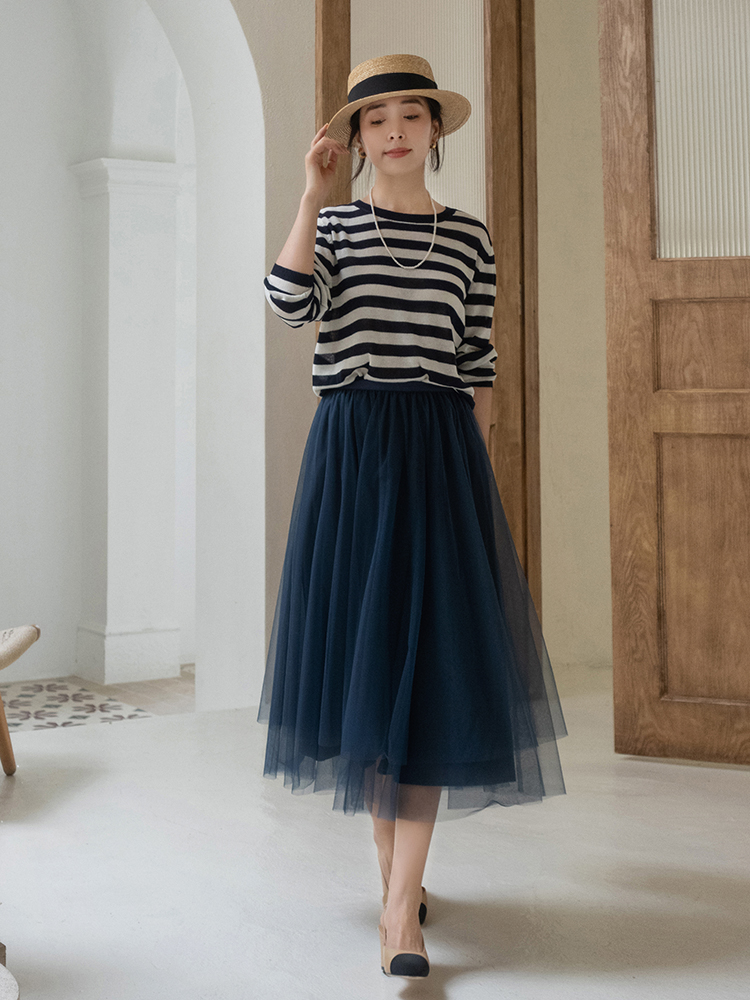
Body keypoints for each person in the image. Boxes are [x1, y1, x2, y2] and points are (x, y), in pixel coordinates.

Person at [257, 54, 568, 980]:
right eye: (375, 118)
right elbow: (288, 305)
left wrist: (474, 480)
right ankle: (396, 874)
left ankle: (401, 909)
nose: (394, 129)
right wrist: (310, 198)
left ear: (435, 131)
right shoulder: (337, 225)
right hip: (353, 454)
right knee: (365, 661)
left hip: (440, 458)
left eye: (411, 114)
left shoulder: (469, 239)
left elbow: (478, 368)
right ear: (357, 140)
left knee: (430, 671)